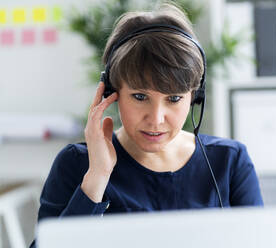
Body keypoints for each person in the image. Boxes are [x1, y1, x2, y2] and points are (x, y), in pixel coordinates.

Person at [29, 3, 263, 248]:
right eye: (140, 97)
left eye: (173, 99)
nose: (156, 119)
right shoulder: (77, 164)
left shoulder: (229, 161)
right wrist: (97, 178)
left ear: (195, 96)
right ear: (112, 92)